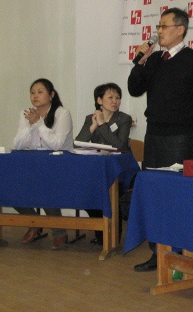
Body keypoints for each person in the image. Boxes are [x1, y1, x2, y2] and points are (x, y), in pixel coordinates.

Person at [128, 7, 193, 271]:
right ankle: (158, 252)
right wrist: (140, 62)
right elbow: (134, 89)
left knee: (175, 194)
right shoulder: (154, 60)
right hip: (153, 134)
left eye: (164, 26)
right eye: (158, 26)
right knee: (154, 193)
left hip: (179, 137)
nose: (159, 31)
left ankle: (181, 250)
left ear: (180, 29)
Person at [13, 78, 73, 250]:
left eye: (40, 92)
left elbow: (57, 144)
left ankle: (59, 232)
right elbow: (18, 144)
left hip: (60, 163)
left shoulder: (62, 113)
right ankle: (34, 223)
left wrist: (39, 124)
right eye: (32, 92)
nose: (35, 96)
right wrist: (30, 126)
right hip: (35, 162)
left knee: (44, 183)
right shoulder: (26, 113)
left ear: (51, 94)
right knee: (10, 184)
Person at [75, 82, 131, 245]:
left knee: (110, 192)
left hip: (120, 168)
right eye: (110, 97)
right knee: (85, 191)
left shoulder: (123, 119)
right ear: (99, 100)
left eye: (118, 98)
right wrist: (93, 126)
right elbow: (78, 143)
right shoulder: (90, 118)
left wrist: (102, 125)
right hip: (97, 168)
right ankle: (101, 233)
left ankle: (113, 236)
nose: (115, 101)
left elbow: (120, 145)